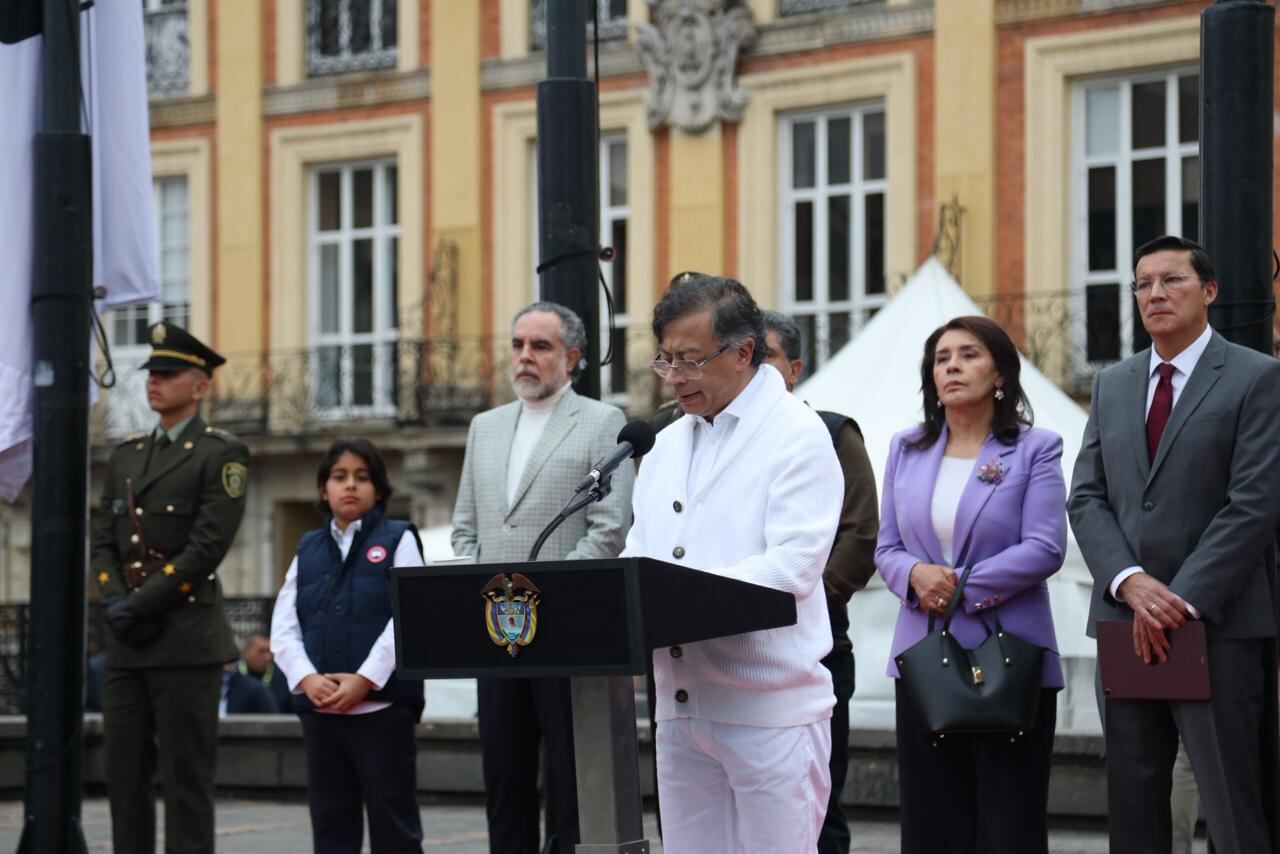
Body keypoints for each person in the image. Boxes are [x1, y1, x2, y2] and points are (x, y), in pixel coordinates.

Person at [1068, 235, 1280, 854]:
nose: (1154, 293)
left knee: (1231, 804)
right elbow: (1086, 497)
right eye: (1142, 284)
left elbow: (1255, 504)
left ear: (1208, 292)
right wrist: (1129, 582)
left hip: (1217, 623)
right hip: (1123, 618)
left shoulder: (1256, 378)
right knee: (1134, 804)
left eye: (1171, 280)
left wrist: (1179, 600)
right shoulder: (1112, 385)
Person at [621, 274, 842, 853]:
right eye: (664, 359)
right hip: (680, 707)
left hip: (769, 710)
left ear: (744, 352)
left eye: (691, 360)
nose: (674, 376)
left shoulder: (799, 434)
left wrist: (673, 600)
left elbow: (793, 565)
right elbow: (639, 553)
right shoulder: (664, 444)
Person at [875, 315, 1067, 854]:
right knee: (933, 820)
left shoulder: (1036, 448)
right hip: (924, 656)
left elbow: (1046, 547)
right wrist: (913, 575)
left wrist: (958, 585)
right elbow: (886, 547)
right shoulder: (905, 448)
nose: (953, 366)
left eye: (969, 354)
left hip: (1010, 657)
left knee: (1010, 822)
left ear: (1001, 372)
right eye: (942, 358)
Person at [451, 301, 633, 854]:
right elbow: (465, 529)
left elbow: (608, 530)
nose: (525, 357)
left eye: (541, 346)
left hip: (564, 634)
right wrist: (492, 595)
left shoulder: (602, 422)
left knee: (568, 779)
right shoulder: (485, 426)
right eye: (518, 345)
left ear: (573, 357)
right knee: (504, 777)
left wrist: (543, 598)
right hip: (495, 632)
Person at [90, 322, 250, 854]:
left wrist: (139, 604)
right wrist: (114, 601)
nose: (154, 382)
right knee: (123, 777)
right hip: (129, 644)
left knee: (186, 783)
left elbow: (207, 546)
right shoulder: (128, 455)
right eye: (151, 373)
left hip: (184, 638)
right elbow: (103, 541)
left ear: (201, 386)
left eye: (168, 373)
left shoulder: (220, 453)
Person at [270, 437, 426, 854]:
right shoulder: (307, 548)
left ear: (379, 489)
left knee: (395, 825)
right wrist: (307, 678)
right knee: (332, 825)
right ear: (324, 489)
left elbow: (410, 616)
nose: (350, 486)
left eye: (362, 477)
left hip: (383, 709)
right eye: (340, 477)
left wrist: (364, 679)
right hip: (321, 714)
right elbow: (283, 627)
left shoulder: (399, 539)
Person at [761, 309, 879, 854]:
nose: (754, 370)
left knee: (818, 799)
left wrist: (793, 606)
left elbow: (858, 538)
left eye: (766, 357)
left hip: (816, 645)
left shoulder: (832, 432)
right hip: (732, 651)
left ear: (796, 368)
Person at [238, 631, 291, 712]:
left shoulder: (283, 679)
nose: (268, 657)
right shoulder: (234, 678)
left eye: (270, 652)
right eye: (262, 651)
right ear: (246, 652)